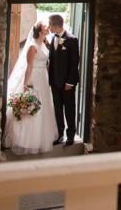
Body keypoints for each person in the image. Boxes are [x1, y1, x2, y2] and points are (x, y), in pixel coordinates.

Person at [3, 21, 58, 155]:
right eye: (45, 26)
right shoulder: (32, 46)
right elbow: (29, 66)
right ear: (40, 31)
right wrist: (25, 84)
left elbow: (47, 63)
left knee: (44, 105)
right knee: (33, 104)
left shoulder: (45, 43)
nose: (48, 27)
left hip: (43, 77)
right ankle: (25, 139)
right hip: (35, 77)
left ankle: (42, 137)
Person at [47, 14, 80, 146]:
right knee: (57, 108)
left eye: (50, 25)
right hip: (55, 81)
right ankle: (59, 134)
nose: (49, 28)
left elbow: (74, 63)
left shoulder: (72, 40)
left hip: (67, 83)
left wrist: (70, 82)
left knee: (69, 109)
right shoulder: (52, 38)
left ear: (56, 26)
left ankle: (70, 135)